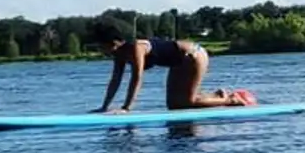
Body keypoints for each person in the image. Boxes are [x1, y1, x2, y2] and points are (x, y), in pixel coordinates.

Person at [89, 21, 253, 112]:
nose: (99, 50)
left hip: (193, 55)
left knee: (187, 102)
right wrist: (104, 107)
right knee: (175, 105)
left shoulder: (137, 47)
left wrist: (126, 108)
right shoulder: (118, 55)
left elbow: (137, 78)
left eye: (100, 46)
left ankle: (231, 100)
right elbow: (115, 80)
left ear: (114, 43)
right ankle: (216, 95)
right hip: (178, 62)